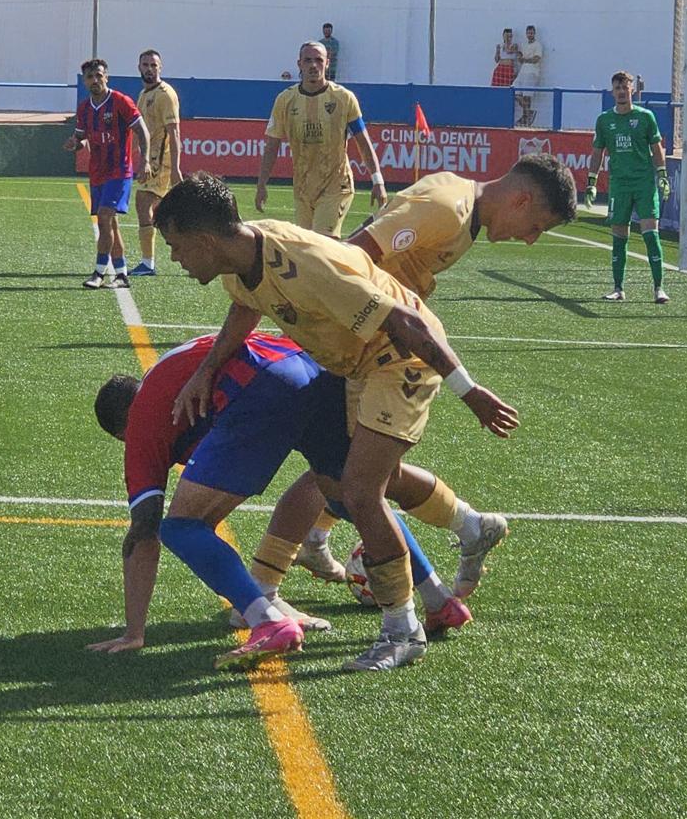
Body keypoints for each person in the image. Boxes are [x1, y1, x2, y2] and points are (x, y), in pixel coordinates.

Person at [157, 173, 519, 671]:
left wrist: (469, 390)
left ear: (203, 240)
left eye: (176, 247)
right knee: (360, 480)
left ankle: (402, 631)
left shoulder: (307, 265)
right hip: (356, 366)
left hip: (402, 361)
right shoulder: (237, 259)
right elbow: (246, 304)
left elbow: (406, 324)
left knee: (359, 489)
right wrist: (206, 370)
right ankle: (446, 580)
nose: (175, 258)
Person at [87, 332, 467, 666]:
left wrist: (134, 631)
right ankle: (439, 601)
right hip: (313, 369)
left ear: (122, 430)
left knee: (182, 526)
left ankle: (266, 620)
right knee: (354, 494)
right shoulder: (170, 373)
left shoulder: (141, 421)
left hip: (264, 387)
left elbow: (143, 531)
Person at [291, 153, 578, 592]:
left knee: (353, 470)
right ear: (521, 200)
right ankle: (449, 550)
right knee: (354, 472)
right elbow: (352, 254)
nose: (531, 240)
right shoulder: (447, 209)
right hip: (358, 341)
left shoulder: (463, 215)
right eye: (537, 226)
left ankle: (307, 549)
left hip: (371, 346)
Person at [257, 41, 385, 238]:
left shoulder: (344, 98)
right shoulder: (285, 100)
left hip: (337, 185)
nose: (313, 65)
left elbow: (363, 142)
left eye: (318, 60)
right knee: (308, 251)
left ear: (327, 64)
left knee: (321, 243)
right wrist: (261, 184)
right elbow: (272, 145)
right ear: (299, 64)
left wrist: (378, 180)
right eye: (308, 60)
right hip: (303, 189)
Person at [585, 70, 670, 304]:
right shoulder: (604, 120)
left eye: (625, 88)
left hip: (643, 184)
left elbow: (656, 147)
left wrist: (662, 175)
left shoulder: (645, 117)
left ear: (632, 90)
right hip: (619, 185)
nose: (621, 92)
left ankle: (659, 288)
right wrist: (591, 181)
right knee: (619, 237)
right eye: (617, 88)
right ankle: (618, 288)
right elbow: (597, 152)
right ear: (612, 92)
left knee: (651, 235)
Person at [64, 58, 150, 290]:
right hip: (98, 172)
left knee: (104, 218)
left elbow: (142, 131)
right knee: (111, 224)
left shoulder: (120, 101)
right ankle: (121, 274)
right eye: (90, 77)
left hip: (119, 171)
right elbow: (82, 138)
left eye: (99, 76)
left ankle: (99, 272)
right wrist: (75, 143)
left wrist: (145, 161)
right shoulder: (84, 108)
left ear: (106, 77)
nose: (95, 80)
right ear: (84, 81)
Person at [128, 49, 182, 277]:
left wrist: (176, 167)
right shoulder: (144, 94)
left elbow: (175, 132)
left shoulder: (165, 94)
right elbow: (141, 133)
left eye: (153, 65)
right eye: (145, 64)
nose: (149, 69)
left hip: (162, 161)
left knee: (143, 202)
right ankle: (188, 247)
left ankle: (148, 263)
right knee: (164, 213)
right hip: (150, 160)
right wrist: (133, 158)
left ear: (161, 68)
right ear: (139, 67)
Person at [513, 25, 542, 127]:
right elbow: (520, 53)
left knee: (527, 95)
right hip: (522, 72)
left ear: (534, 33)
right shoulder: (524, 44)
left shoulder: (537, 45)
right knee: (514, 91)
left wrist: (525, 60)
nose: (530, 35)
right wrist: (519, 55)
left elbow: (536, 59)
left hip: (531, 72)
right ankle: (528, 112)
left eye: (531, 33)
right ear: (526, 34)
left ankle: (526, 118)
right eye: (528, 33)